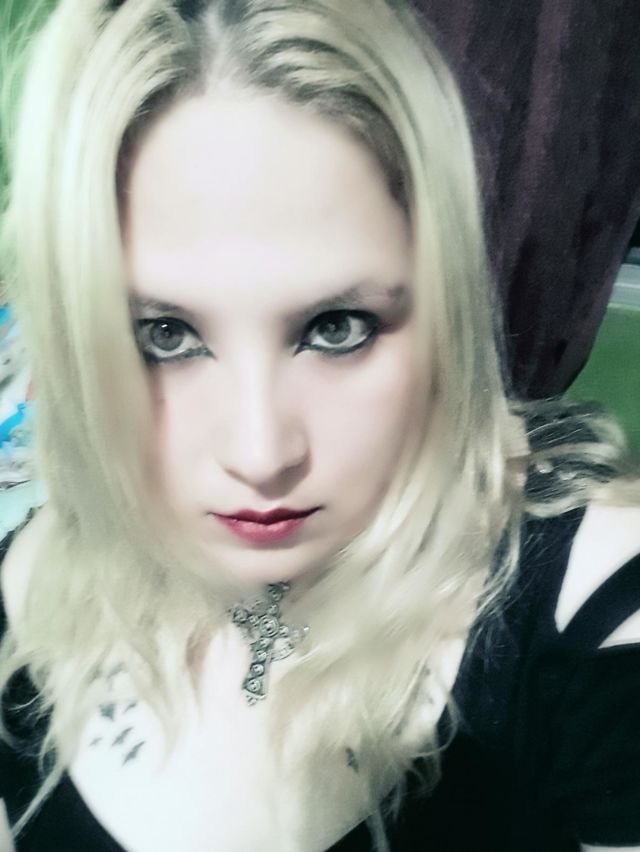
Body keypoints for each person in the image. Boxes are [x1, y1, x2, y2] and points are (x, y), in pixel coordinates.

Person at [0, 0, 639, 850]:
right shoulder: (29, 590)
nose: (260, 454)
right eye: (165, 336)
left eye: (337, 328)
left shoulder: (589, 606)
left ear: (441, 302)